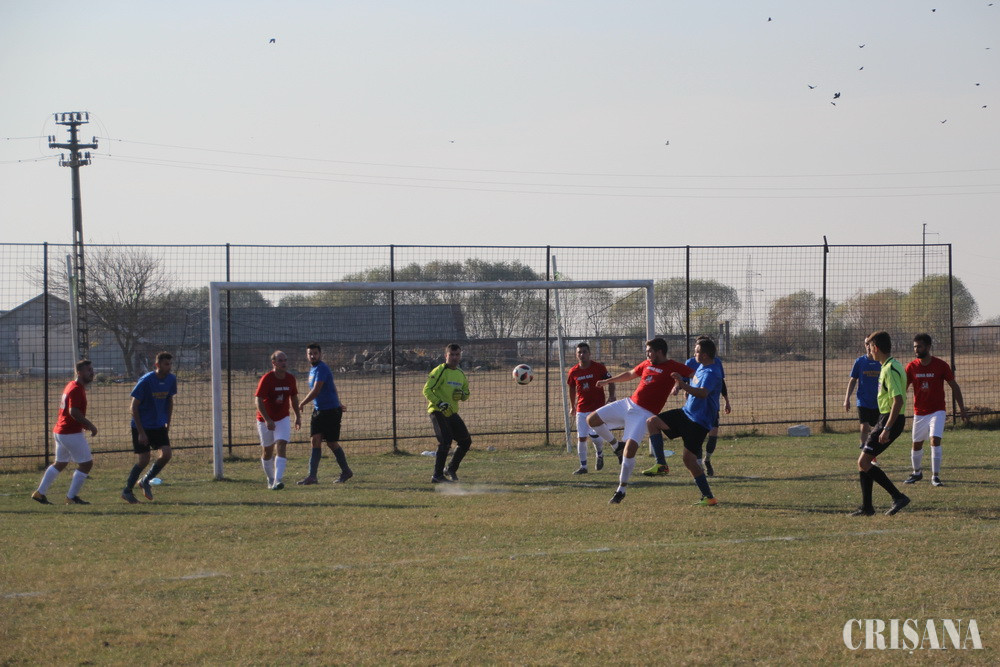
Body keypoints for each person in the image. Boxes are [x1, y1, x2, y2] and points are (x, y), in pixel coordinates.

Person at [587, 337, 694, 504]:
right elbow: (630, 374)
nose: (647, 354)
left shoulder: (673, 366)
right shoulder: (646, 363)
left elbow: (695, 375)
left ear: (659, 351)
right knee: (592, 419)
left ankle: (621, 490)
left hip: (644, 413)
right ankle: (616, 445)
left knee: (629, 450)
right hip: (628, 403)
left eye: (650, 351)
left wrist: (681, 383)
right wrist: (608, 381)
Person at [646, 338, 723, 506]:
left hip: (699, 422)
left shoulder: (712, 372)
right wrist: (680, 382)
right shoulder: (701, 367)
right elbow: (694, 384)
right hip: (686, 413)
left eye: (697, 351)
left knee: (689, 460)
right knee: (652, 422)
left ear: (704, 355)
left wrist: (682, 384)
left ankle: (709, 497)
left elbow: (702, 393)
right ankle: (661, 464)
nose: (694, 354)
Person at [850, 331, 910, 516]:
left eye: (870, 347)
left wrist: (887, 428)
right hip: (887, 418)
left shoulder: (889, 369)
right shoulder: (892, 365)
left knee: (863, 461)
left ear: (876, 348)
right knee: (864, 462)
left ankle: (898, 496)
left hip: (890, 419)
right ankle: (867, 507)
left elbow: (898, 401)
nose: (869, 351)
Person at [903, 333, 969, 487]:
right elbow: (902, 389)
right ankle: (916, 473)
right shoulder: (911, 367)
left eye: (919, 346)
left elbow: (954, 386)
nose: (916, 349)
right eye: (914, 347)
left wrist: (962, 408)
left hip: (937, 411)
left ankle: (935, 476)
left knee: (935, 440)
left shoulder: (941, 365)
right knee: (916, 444)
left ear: (928, 347)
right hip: (919, 412)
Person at [32, 359, 98, 505]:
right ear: (79, 372)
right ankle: (71, 497)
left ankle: (39, 493)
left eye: (92, 369)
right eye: (88, 370)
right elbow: (73, 411)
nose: (92, 372)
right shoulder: (76, 389)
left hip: (60, 431)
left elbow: (71, 412)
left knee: (60, 463)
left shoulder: (72, 385)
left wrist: (82, 423)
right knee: (86, 464)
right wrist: (90, 425)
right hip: (70, 433)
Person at [671, 335, 732, 477]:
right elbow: (684, 379)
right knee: (695, 438)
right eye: (696, 348)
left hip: (711, 407)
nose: (695, 352)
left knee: (713, 435)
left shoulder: (715, 363)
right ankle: (698, 465)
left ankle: (707, 459)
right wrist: (678, 387)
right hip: (696, 408)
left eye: (698, 349)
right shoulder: (691, 362)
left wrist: (726, 400)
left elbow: (720, 382)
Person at [121, 351, 177, 504]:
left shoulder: (171, 379)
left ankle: (145, 480)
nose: (169, 367)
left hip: (158, 425)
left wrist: (167, 422)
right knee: (144, 459)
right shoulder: (146, 381)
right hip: (142, 425)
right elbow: (133, 407)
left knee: (166, 454)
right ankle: (127, 491)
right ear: (157, 365)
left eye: (170, 364)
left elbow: (169, 401)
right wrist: (141, 432)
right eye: (166, 364)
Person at [297, 343, 352, 485]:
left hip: (330, 411)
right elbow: (332, 386)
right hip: (319, 410)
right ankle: (312, 476)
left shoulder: (322, 368)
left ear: (320, 354)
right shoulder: (313, 369)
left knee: (331, 443)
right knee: (315, 440)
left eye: (315, 353)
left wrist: (302, 403)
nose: (313, 356)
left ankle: (346, 471)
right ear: (307, 355)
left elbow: (316, 390)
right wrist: (339, 401)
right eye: (310, 354)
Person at [424, 343, 471, 483]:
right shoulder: (440, 371)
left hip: (451, 413)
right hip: (437, 410)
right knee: (445, 440)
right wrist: (439, 403)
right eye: (451, 355)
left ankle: (450, 469)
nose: (454, 358)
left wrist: (462, 394)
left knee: (465, 441)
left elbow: (466, 393)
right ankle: (437, 476)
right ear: (446, 356)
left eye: (457, 355)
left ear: (460, 356)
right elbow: (426, 390)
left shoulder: (460, 373)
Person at [254, 350, 301, 490]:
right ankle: (270, 479)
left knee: (281, 444)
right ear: (273, 363)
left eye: (285, 360)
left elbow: (294, 398)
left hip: (282, 417)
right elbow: (258, 400)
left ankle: (278, 480)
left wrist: (297, 416)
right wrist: (267, 419)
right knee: (267, 452)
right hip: (265, 419)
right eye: (280, 360)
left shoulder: (290, 378)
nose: (284, 363)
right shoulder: (267, 379)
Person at [566, 342, 614, 474]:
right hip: (581, 409)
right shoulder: (573, 371)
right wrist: (572, 406)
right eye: (579, 352)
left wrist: (612, 396)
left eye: (584, 352)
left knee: (595, 436)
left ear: (589, 353)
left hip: (598, 409)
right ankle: (583, 467)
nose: (582, 354)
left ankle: (600, 453)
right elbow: (571, 388)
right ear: (576, 355)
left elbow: (610, 381)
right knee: (581, 437)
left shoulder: (599, 367)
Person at [844, 342, 882, 451]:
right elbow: (853, 380)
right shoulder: (860, 361)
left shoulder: (881, 362)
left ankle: (873, 449)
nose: (868, 346)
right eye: (866, 344)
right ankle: (864, 448)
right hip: (863, 400)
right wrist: (847, 399)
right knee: (865, 426)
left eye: (870, 344)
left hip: (878, 401)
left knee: (877, 428)